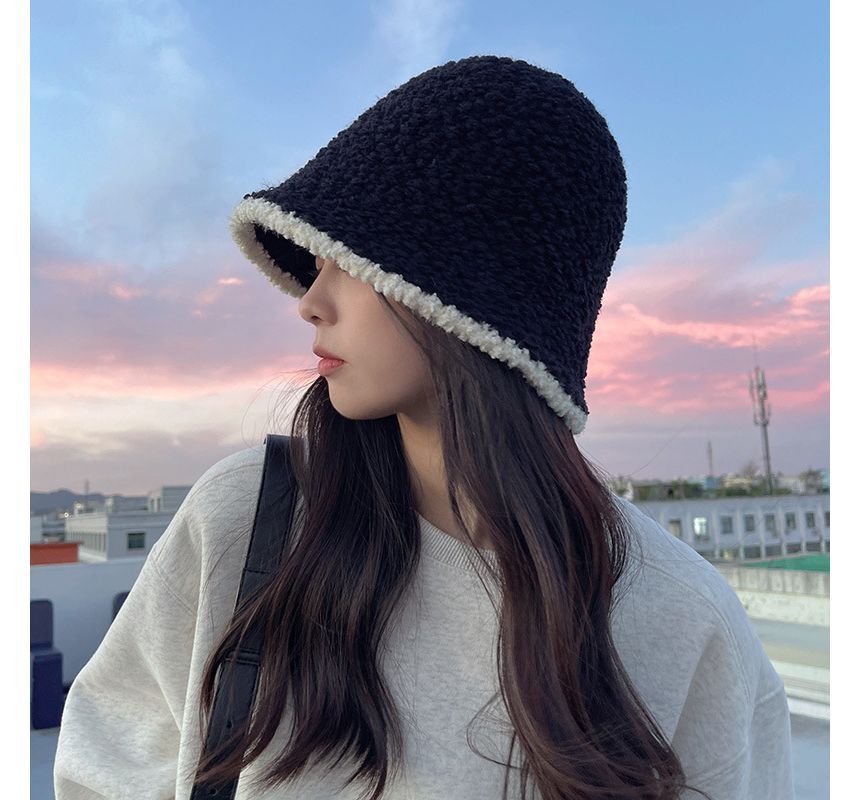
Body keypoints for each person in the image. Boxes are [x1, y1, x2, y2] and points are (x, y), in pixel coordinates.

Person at [53, 55, 794, 800]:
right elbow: (103, 768)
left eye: (350, 259)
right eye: (315, 261)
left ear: (475, 294)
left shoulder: (682, 619)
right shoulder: (246, 520)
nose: (310, 301)